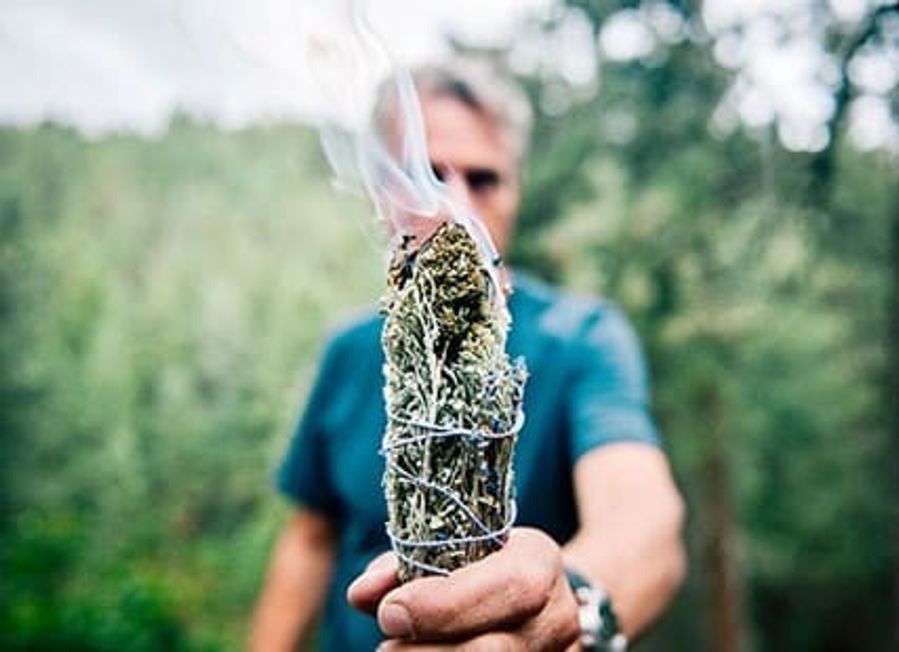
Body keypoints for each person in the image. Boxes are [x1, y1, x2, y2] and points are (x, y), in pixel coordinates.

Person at [250, 60, 686, 651]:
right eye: (425, 174)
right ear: (382, 191)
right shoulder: (350, 351)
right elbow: (309, 539)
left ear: (516, 191)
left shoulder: (582, 337)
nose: (455, 203)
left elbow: (643, 518)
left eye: (482, 179)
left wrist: (571, 603)